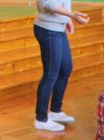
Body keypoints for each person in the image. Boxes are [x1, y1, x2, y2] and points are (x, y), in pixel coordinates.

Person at [33, 0, 89, 132]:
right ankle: (41, 119)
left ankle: (55, 111)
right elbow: (46, 3)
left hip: (57, 28)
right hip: (47, 29)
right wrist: (71, 15)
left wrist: (67, 19)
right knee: (51, 73)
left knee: (65, 68)